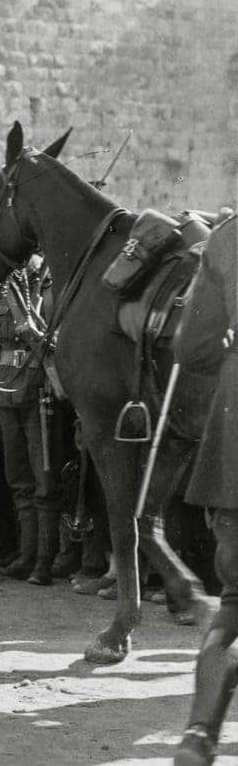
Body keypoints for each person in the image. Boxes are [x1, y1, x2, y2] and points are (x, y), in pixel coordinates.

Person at [172, 213, 237, 766]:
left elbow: (191, 349)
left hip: (235, 450)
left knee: (235, 605)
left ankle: (199, 732)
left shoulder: (229, 235)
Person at [0, 264, 59, 584]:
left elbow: (55, 343)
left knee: (45, 482)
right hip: (5, 398)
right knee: (19, 481)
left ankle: (44, 561)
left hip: (39, 397)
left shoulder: (47, 297)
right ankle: (27, 556)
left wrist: (31, 320)